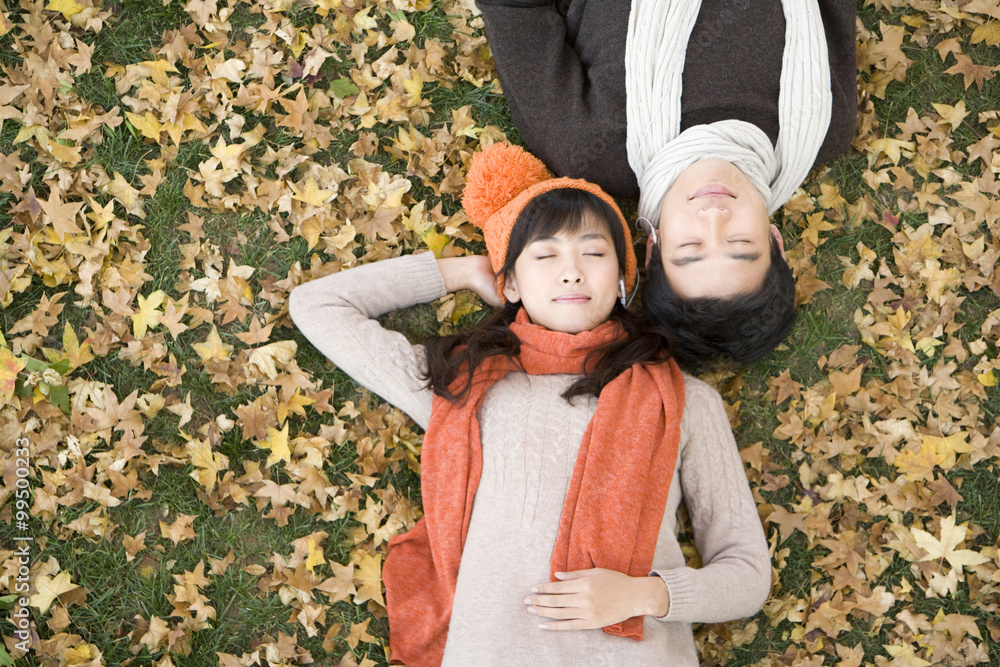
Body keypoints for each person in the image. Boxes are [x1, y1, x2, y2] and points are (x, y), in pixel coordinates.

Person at [289, 143, 770, 666]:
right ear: (511, 282)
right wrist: (465, 272)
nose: (571, 272)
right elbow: (318, 305)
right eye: (544, 255)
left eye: (593, 252)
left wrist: (645, 595)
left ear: (623, 278)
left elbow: (746, 575)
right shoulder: (462, 389)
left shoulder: (683, 402)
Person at [476, 0, 857, 365]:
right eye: (741, 243)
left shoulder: (586, 146)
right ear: (775, 239)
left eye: (690, 245)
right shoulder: (821, 123)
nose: (713, 216)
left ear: (653, 247)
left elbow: (515, 11)